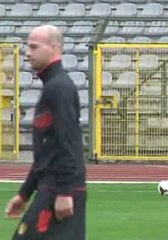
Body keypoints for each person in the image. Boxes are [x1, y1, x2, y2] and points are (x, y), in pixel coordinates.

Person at [5, 25, 86, 240]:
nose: (27, 53)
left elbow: (68, 142)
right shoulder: (51, 87)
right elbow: (47, 153)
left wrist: (65, 192)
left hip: (59, 191)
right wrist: (24, 194)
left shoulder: (59, 88)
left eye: (33, 47)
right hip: (51, 188)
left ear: (54, 48)